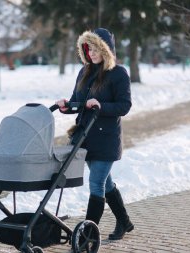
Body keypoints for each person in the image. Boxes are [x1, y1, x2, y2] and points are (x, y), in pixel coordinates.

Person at [56, 28, 134, 240]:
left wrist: (101, 105)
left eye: (95, 48)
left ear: (106, 49)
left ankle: (88, 234)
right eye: (87, 49)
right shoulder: (84, 72)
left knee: (97, 183)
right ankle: (124, 222)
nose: (91, 53)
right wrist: (66, 106)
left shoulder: (118, 73)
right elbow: (77, 101)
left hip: (106, 137)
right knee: (105, 183)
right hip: (86, 136)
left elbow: (124, 105)